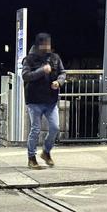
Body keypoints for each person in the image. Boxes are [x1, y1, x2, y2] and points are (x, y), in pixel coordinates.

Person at [21, 33, 66, 169]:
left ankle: (46, 151)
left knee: (55, 127)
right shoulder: (29, 59)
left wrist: (59, 82)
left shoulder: (55, 58)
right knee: (35, 129)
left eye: (49, 43)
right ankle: (31, 158)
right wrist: (42, 70)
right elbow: (26, 76)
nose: (47, 47)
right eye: (44, 44)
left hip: (51, 100)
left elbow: (62, 73)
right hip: (34, 100)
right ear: (38, 45)